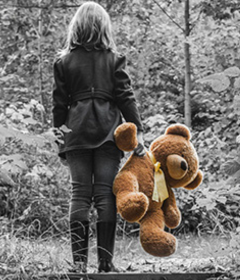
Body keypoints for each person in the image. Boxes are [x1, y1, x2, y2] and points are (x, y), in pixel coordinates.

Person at [52, 1, 145, 273]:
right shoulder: (114, 59)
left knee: (79, 195)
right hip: (108, 133)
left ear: (76, 27)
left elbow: (59, 105)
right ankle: (106, 264)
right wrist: (136, 131)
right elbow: (126, 97)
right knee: (106, 195)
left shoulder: (63, 62)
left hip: (76, 132)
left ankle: (79, 266)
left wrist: (60, 140)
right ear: (104, 27)